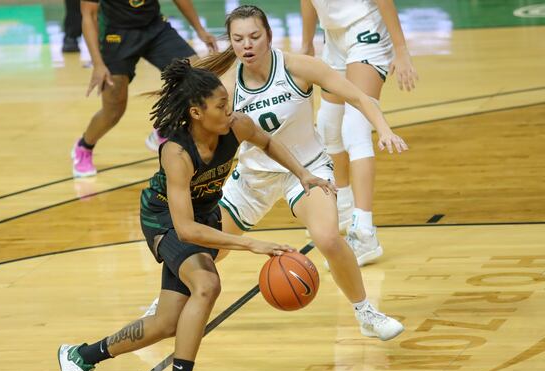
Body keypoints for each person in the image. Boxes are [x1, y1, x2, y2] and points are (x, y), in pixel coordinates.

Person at [57, 59, 335, 371]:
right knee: (207, 285)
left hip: (201, 215)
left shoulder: (236, 126)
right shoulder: (177, 152)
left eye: (228, 103)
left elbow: (268, 141)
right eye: (221, 106)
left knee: (167, 322)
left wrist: (304, 174)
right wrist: (250, 243)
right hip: (164, 220)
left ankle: (82, 355)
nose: (230, 111)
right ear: (196, 112)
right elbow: (185, 230)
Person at [146, 5, 406, 340]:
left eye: (254, 36)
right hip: (254, 177)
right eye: (239, 39)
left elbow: (357, 95)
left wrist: (383, 128)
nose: (247, 44)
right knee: (206, 250)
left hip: (306, 168)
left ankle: (366, 312)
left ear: (269, 35)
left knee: (327, 237)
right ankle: (162, 307)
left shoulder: (297, 66)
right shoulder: (225, 86)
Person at [301, 0, 418, 266]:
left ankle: (365, 232)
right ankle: (342, 207)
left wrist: (401, 50)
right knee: (329, 125)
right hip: (334, 35)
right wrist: (307, 43)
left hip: (366, 30)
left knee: (355, 128)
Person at [71, 0, 218, 177]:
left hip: (154, 27)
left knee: (193, 76)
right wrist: (98, 63)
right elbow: (89, 14)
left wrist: (200, 29)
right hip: (116, 35)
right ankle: (84, 146)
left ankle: (164, 129)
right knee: (114, 108)